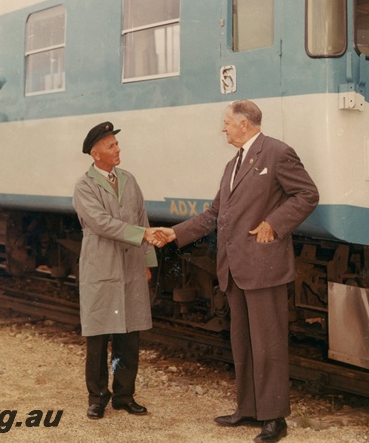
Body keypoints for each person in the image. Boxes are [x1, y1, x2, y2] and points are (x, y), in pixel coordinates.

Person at [156, 100, 318, 442]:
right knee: (242, 342)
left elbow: (307, 194)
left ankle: (274, 419)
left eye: (227, 123)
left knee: (268, 345)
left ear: (244, 124)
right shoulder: (233, 165)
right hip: (235, 268)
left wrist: (274, 223)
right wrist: (175, 233)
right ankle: (248, 409)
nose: (223, 128)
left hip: (264, 266)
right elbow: (215, 215)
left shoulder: (277, 153)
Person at [73, 121, 163, 420]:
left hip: (131, 265)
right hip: (101, 265)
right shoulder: (84, 186)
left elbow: (142, 218)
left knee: (130, 333)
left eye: (117, 144)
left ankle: (124, 396)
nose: (117, 149)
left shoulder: (129, 179)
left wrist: (147, 263)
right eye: (111, 146)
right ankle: (97, 398)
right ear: (96, 154)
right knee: (98, 334)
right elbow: (101, 223)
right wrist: (141, 235)